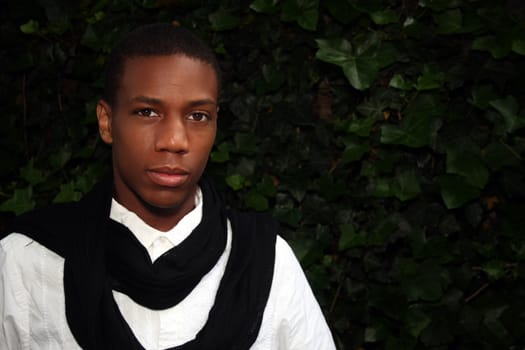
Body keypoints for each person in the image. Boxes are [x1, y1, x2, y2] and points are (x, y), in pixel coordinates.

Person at [0, 23, 336, 350]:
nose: (175, 140)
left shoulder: (267, 262)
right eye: (147, 112)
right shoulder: (25, 262)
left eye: (198, 116)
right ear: (107, 121)